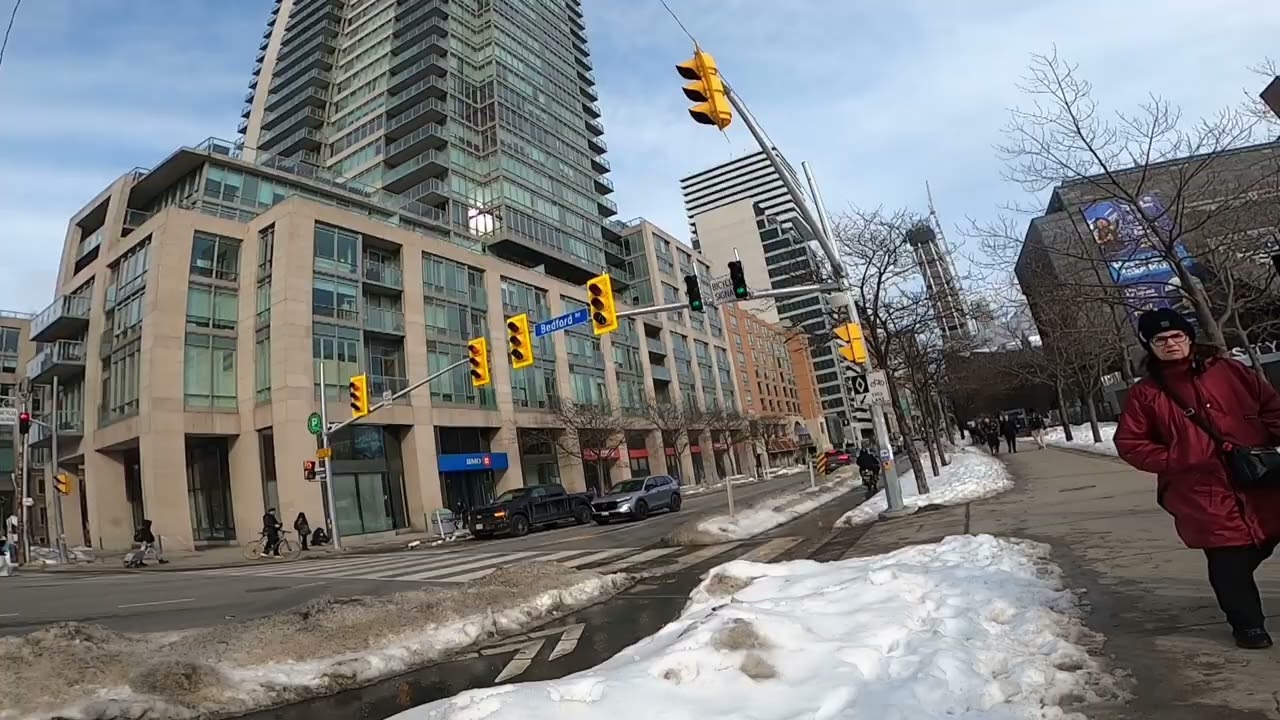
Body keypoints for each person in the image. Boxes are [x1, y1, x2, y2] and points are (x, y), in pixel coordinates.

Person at [1114, 308, 1280, 650]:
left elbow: (1270, 406)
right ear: (1149, 346)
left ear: (1189, 337)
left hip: (1258, 478)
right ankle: (1248, 626)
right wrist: (1177, 458)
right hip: (1201, 490)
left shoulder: (1229, 371)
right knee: (1228, 560)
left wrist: (1264, 436)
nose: (1171, 343)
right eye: (1160, 339)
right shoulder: (1146, 393)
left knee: (1263, 539)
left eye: (1177, 336)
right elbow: (1131, 443)